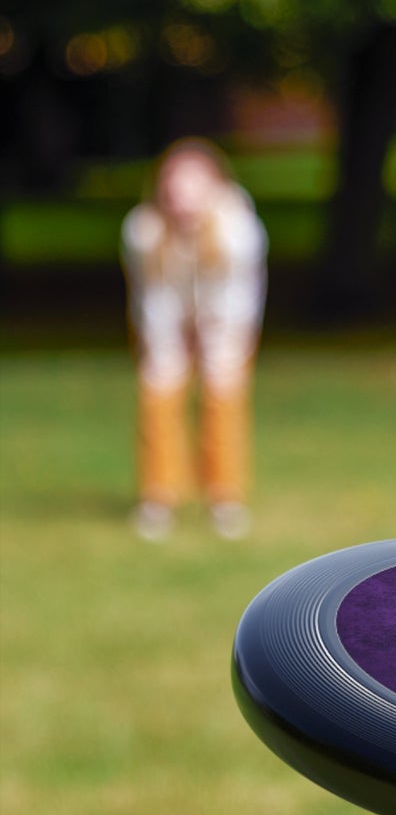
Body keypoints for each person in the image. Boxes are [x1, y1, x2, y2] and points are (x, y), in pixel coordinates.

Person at [121, 138, 268, 541]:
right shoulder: (143, 230)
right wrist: (168, 346)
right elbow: (152, 297)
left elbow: (239, 297)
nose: (182, 198)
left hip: (226, 322)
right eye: (174, 187)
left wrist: (214, 340)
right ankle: (158, 497)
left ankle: (225, 499)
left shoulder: (239, 230)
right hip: (165, 321)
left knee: (223, 398)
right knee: (158, 393)